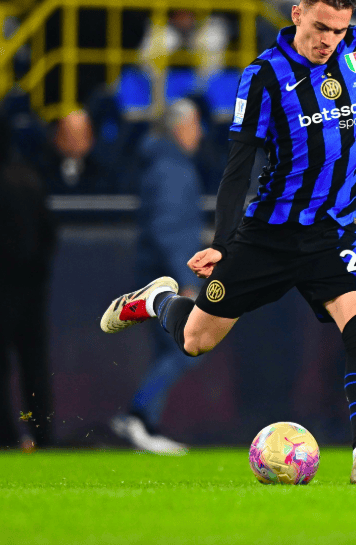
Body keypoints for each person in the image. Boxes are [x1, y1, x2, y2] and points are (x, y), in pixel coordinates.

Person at [100, 0, 356, 483]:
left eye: (339, 30)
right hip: (270, 234)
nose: (329, 40)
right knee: (196, 340)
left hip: (334, 233)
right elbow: (238, 168)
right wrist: (222, 245)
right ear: (297, 15)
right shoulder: (264, 76)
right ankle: (157, 300)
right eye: (321, 27)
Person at [110, 99, 204, 454]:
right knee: (188, 347)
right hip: (168, 280)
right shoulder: (171, 170)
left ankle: (144, 421)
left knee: (173, 348)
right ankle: (138, 415)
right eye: (194, 125)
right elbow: (169, 230)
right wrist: (186, 279)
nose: (199, 133)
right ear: (179, 127)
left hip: (159, 275)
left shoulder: (166, 164)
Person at [0, 111, 56, 450]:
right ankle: (42, 435)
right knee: (34, 366)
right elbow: (49, 234)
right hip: (30, 289)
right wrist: (36, 271)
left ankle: (6, 436)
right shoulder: (27, 177)